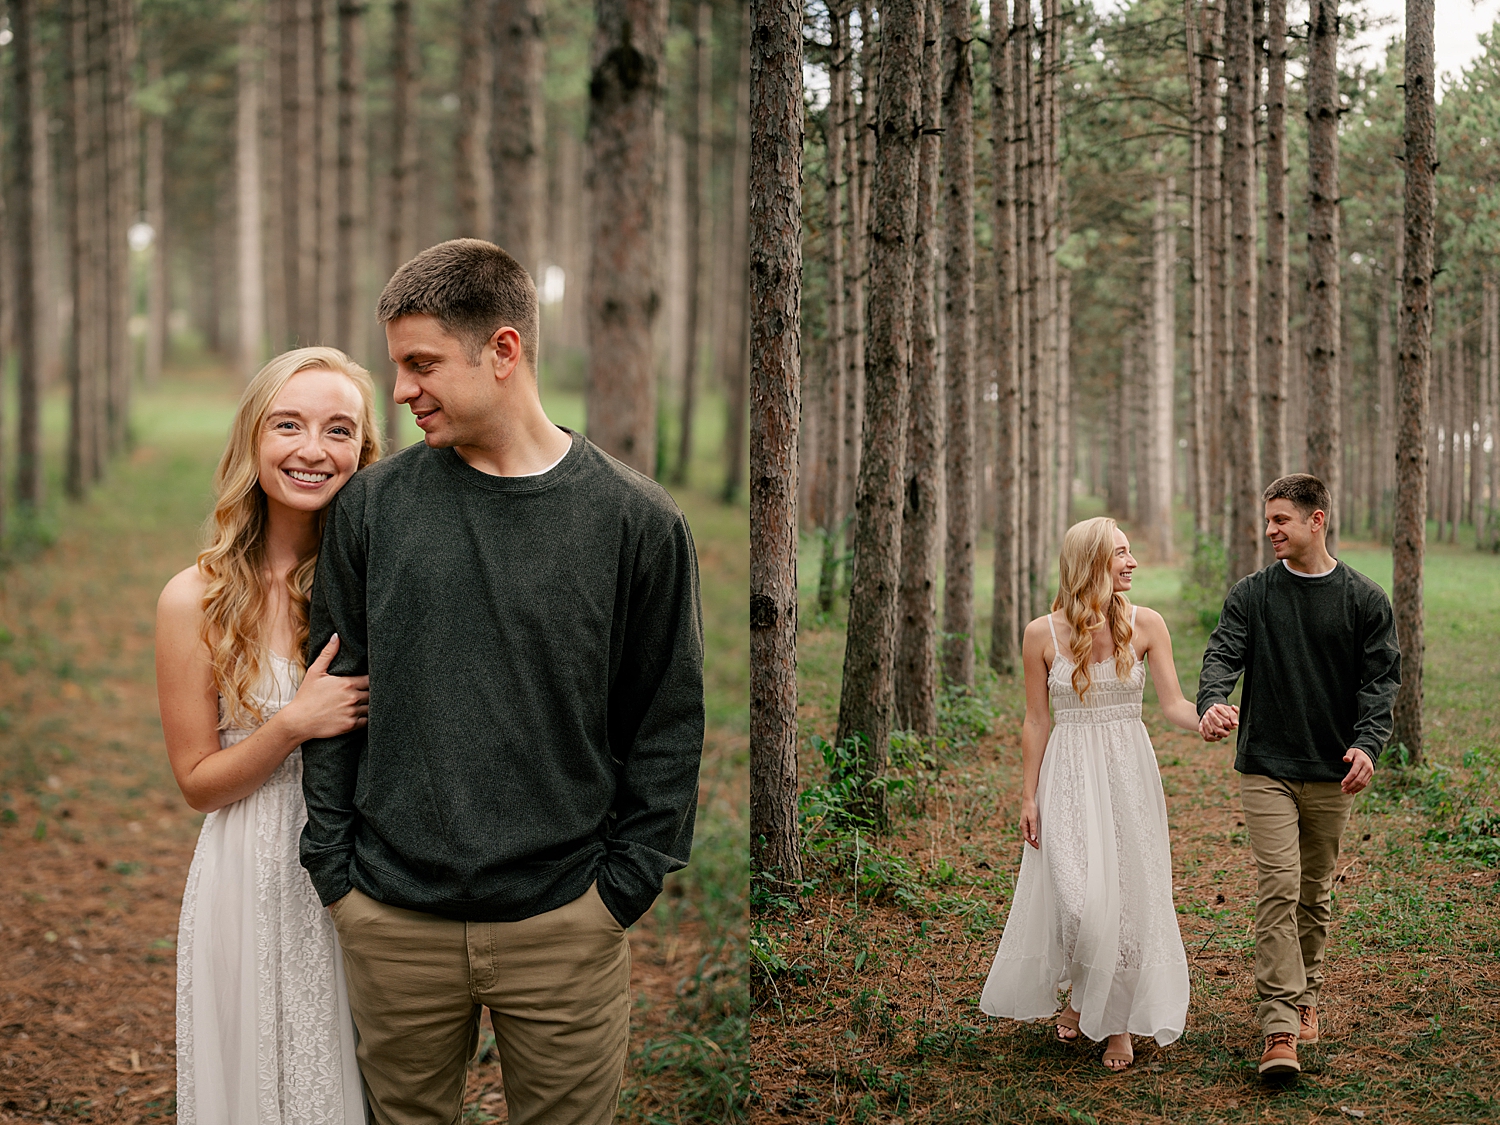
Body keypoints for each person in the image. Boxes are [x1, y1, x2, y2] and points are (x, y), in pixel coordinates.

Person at [299, 239, 706, 1125]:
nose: (401, 391)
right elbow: (329, 692)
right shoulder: (372, 508)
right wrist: (337, 877)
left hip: (565, 921)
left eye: (421, 364)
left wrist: (621, 889)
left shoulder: (637, 521)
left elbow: (667, 724)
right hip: (393, 918)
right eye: (398, 366)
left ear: (504, 350)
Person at [157, 348, 382, 1123]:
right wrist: (292, 724)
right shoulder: (195, 598)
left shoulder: (378, 580)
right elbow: (196, 781)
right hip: (246, 871)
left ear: (364, 450)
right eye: (288, 423)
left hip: (364, 869)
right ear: (254, 440)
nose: (313, 449)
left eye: (338, 429)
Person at [980, 517, 1206, 1071]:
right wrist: (1028, 796)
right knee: (1076, 902)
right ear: (1091, 563)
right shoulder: (1041, 634)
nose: (1132, 563)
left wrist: (1207, 718)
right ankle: (1084, 995)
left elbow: (1173, 703)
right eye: (1120, 554)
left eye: (1130, 552)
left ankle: (1117, 1026)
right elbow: (1036, 721)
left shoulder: (1147, 623)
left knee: (1127, 898)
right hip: (1069, 775)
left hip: (1128, 771)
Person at [1197, 473, 1400, 1078]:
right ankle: (1280, 1026)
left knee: (1315, 894)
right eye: (1268, 520)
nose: (1270, 531)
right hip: (1266, 765)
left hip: (1331, 771)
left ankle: (1305, 995)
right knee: (1278, 889)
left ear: (1317, 520)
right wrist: (1213, 700)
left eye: (1282, 519)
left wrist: (1368, 744)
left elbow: (1380, 682)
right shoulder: (1253, 594)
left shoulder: (1365, 599)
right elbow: (1223, 652)